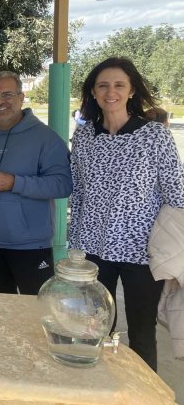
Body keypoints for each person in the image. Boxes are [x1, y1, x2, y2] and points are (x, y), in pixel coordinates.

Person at [69, 57, 184, 371]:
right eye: (103, 85)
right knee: (96, 327)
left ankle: (144, 395)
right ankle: (101, 387)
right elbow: (78, 193)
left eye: (119, 85)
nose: (111, 92)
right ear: (93, 92)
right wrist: (74, 245)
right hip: (94, 250)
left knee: (141, 331)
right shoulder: (84, 137)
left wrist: (172, 247)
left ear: (131, 90)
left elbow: (177, 194)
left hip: (142, 252)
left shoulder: (154, 136)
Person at [0, 71, 72, 295]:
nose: (0, 102)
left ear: (21, 97)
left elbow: (63, 184)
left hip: (31, 246)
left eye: (7, 94)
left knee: (36, 309)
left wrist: (15, 183)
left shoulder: (46, 138)